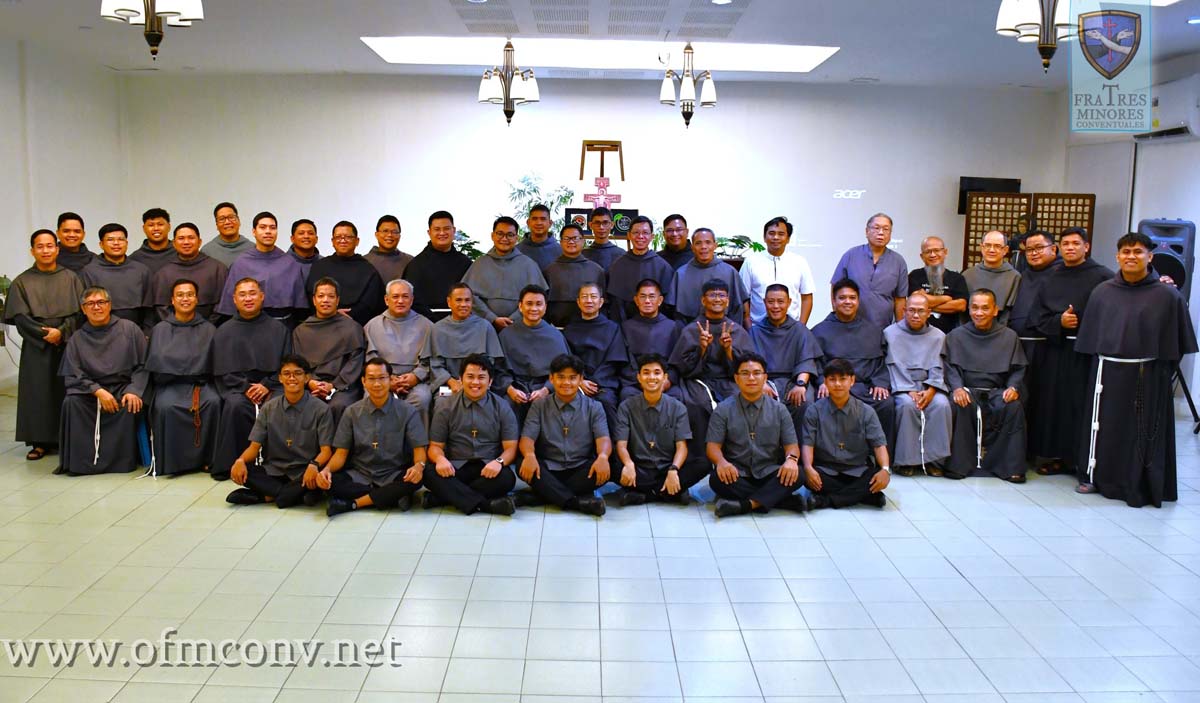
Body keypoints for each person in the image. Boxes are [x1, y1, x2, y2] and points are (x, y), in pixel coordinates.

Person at [1074, 232, 1197, 507]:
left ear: (1150, 256)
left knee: (1140, 432)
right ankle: (1095, 476)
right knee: (1103, 428)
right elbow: (1089, 340)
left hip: (1147, 375)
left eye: (1138, 252)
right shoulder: (1102, 292)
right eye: (1126, 252)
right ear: (1117, 256)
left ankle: (1138, 481)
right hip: (1106, 373)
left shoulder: (1167, 296)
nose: (1131, 256)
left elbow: (1176, 345)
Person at [1028, 228, 1113, 478]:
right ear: (1059, 248)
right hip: (1055, 351)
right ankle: (1059, 457)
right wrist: (1059, 322)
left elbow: (1112, 314)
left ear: (1086, 247)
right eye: (1065, 244)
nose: (1070, 248)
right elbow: (1037, 316)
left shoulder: (1104, 277)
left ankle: (1084, 460)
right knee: (1055, 405)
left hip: (1087, 354)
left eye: (1076, 243)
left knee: (1083, 406)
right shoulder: (1050, 278)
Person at [5, 231, 85, 461]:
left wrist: (62, 331)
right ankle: (39, 442)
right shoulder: (22, 281)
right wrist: (45, 334)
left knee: (67, 390)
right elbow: (20, 317)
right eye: (40, 246)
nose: (46, 250)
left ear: (57, 249)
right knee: (37, 393)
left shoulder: (70, 278)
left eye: (50, 246)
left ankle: (67, 438)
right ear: (32, 250)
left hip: (67, 342)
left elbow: (80, 312)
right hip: (36, 345)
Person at [669, 279, 756, 484]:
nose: (717, 299)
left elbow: (747, 366)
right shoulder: (692, 329)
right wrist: (702, 348)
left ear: (728, 301)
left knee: (740, 403)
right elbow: (682, 366)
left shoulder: (736, 329)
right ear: (703, 300)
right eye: (712, 295)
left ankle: (736, 461)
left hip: (729, 380)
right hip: (699, 380)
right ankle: (700, 462)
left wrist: (728, 350)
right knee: (697, 405)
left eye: (721, 295)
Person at [57, 286, 148, 475]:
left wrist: (134, 390)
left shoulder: (129, 329)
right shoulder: (77, 338)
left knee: (130, 404)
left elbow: (144, 365)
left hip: (123, 387)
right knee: (71, 403)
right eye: (90, 304)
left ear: (109, 305)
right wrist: (97, 390)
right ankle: (82, 463)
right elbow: (73, 373)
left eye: (101, 302)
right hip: (90, 391)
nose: (96, 307)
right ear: (83, 309)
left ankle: (122, 462)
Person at [323, 358, 429, 517]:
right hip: (361, 473)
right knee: (330, 481)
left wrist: (418, 467)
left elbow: (419, 449)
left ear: (391, 380)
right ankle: (389, 496)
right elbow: (340, 454)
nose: (377, 384)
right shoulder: (351, 412)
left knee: (417, 478)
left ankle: (354, 503)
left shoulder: (408, 411)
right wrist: (326, 470)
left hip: (393, 473)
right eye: (371, 379)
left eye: (382, 378)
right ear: (363, 381)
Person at [706, 352, 807, 517]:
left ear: (765, 377)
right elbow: (712, 447)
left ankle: (746, 505)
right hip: (737, 473)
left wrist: (791, 460)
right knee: (716, 479)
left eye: (757, 373)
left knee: (799, 474)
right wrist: (721, 462)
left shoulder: (779, 410)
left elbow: (792, 446)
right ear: (736, 378)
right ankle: (780, 500)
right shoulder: (723, 409)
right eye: (745, 373)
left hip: (769, 472)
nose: (751, 378)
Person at [225, 355, 333, 508]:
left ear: (307, 378)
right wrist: (240, 461)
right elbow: (254, 447)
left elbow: (326, 451)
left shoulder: (321, 409)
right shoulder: (268, 408)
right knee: (243, 469)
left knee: (319, 475)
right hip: (274, 471)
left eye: (297, 373)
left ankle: (268, 495)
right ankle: (294, 495)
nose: (292, 378)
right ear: (280, 378)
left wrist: (314, 465)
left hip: (305, 470)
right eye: (287, 374)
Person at [211, 278, 291, 481]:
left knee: (279, 405)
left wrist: (266, 385)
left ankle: (279, 465)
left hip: (273, 384)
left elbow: (287, 365)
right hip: (238, 386)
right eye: (243, 294)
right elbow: (222, 370)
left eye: (252, 293)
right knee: (235, 406)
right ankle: (234, 464)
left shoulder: (279, 329)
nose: (248, 298)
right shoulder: (224, 331)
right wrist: (245, 387)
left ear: (262, 296)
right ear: (234, 299)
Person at [945, 289, 1028, 482]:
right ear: (969, 310)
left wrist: (1013, 388)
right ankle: (959, 466)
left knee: (1013, 407)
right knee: (960, 404)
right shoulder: (956, 335)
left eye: (985, 308)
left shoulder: (1009, 336)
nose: (979, 313)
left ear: (995, 310)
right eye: (974, 308)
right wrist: (957, 388)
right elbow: (950, 367)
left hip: (997, 391)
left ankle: (1010, 467)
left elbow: (1018, 369)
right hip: (967, 389)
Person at [424, 354, 520, 516]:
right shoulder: (445, 407)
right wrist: (440, 459)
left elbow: (511, 448)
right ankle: (488, 505)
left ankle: (442, 498)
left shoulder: (502, 406)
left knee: (507, 478)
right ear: (460, 379)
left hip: (487, 467)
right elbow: (435, 447)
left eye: (481, 377)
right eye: (470, 377)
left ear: (490, 382)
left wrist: (498, 462)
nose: (475, 382)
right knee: (429, 473)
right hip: (455, 467)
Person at [517, 353, 610, 516]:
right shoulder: (539, 405)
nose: (566, 382)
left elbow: (603, 438)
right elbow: (527, 438)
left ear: (581, 379)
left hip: (580, 468)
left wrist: (602, 456)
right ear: (551, 378)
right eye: (561, 377)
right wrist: (530, 455)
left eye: (572, 378)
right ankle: (576, 503)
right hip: (548, 468)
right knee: (521, 462)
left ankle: (542, 495)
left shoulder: (594, 407)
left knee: (609, 464)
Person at [811, 279, 897, 454]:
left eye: (852, 298)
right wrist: (822, 382)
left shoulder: (873, 331)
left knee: (886, 403)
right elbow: (816, 363)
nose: (847, 302)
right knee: (822, 401)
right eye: (842, 298)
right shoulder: (819, 331)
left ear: (858, 301)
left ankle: (881, 456)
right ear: (834, 301)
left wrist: (880, 383)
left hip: (864, 387)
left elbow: (880, 362)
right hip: (834, 387)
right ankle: (829, 455)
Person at [145, 279, 220, 476]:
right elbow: (155, 366)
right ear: (172, 300)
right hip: (169, 384)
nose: (185, 299)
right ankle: (174, 463)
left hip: (201, 384)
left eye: (190, 295)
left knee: (213, 402)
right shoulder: (160, 329)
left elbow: (214, 365)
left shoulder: (209, 329)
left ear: (197, 299)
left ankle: (207, 460)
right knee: (166, 407)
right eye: (180, 295)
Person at [802, 358, 891, 509]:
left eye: (843, 379)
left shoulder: (866, 411)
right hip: (825, 470)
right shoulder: (814, 411)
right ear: (825, 382)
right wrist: (808, 468)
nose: (837, 384)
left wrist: (885, 470)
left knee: (876, 475)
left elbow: (879, 444)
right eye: (832, 379)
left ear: (852, 381)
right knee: (803, 475)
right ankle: (864, 496)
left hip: (857, 470)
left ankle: (825, 501)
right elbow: (807, 444)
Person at [614, 354, 699, 505]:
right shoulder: (626, 407)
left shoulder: (678, 407)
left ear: (665, 377)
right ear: (639, 377)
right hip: (638, 468)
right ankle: (668, 493)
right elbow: (621, 445)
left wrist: (673, 469)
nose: (651, 377)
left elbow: (682, 447)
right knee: (608, 462)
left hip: (666, 468)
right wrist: (628, 464)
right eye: (646, 373)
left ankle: (642, 494)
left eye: (657, 373)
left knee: (702, 464)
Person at [883, 292, 952, 475]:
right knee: (907, 406)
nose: (915, 315)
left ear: (929, 313)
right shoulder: (890, 333)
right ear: (904, 311)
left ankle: (934, 461)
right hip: (902, 386)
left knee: (941, 405)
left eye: (920, 311)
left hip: (930, 386)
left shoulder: (938, 336)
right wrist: (909, 390)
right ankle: (907, 461)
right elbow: (893, 364)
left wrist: (931, 390)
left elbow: (939, 365)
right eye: (911, 310)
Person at [749, 284, 822, 437]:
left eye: (780, 302)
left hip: (794, 380)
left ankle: (801, 448)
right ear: (764, 302)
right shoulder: (755, 331)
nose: (776, 306)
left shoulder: (800, 330)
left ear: (789, 302)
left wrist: (800, 385)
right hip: (765, 381)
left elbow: (807, 360)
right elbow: (750, 363)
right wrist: (760, 384)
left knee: (806, 401)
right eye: (771, 302)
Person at [292, 277, 366, 422]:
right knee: (303, 405)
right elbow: (297, 364)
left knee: (338, 406)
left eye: (331, 296)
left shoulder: (352, 328)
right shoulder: (301, 331)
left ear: (337, 300)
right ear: (314, 300)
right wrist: (311, 382)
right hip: (310, 385)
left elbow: (355, 362)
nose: (325, 300)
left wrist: (333, 385)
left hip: (343, 387)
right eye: (321, 296)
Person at [215, 212, 308, 325]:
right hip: (249, 325)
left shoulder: (290, 263)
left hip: (283, 324)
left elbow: (300, 309)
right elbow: (229, 308)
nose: (268, 231)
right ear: (254, 232)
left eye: (272, 228)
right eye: (263, 227)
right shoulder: (241, 263)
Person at [364, 279, 434, 423]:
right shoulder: (372, 326)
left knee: (422, 398)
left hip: (416, 381)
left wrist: (416, 377)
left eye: (405, 296)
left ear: (412, 300)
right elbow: (370, 360)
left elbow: (431, 359)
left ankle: (417, 438)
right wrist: (387, 380)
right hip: (382, 379)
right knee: (372, 397)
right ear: (386, 300)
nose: (400, 301)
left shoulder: (427, 325)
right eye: (395, 297)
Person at [497, 285, 569, 425]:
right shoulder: (506, 335)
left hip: (546, 387)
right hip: (516, 387)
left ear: (545, 307)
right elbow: (499, 370)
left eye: (538, 304)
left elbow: (563, 371)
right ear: (520, 306)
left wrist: (546, 390)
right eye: (529, 303)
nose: (534, 308)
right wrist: (510, 389)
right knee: (505, 407)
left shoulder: (555, 336)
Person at [563, 282, 628, 432]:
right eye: (584, 297)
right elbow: (568, 359)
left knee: (606, 401)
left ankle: (612, 445)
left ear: (601, 302)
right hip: (576, 383)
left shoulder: (613, 328)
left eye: (593, 296)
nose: (589, 300)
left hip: (604, 383)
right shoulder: (570, 329)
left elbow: (614, 360)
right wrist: (580, 381)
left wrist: (595, 382)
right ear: (578, 302)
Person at [462, 216, 548, 331]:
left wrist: (514, 319)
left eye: (510, 235)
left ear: (516, 238)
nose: (504, 238)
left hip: (521, 328)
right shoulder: (479, 264)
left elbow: (538, 298)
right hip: (484, 327)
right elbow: (467, 296)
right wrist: (491, 318)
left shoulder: (529, 265)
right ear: (492, 236)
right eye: (500, 234)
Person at [830, 213, 908, 327]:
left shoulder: (898, 261)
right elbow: (836, 288)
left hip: (883, 326)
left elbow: (900, 299)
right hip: (850, 326)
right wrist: (838, 318)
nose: (881, 232)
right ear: (867, 231)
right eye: (876, 228)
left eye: (886, 229)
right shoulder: (851, 255)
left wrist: (900, 328)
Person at [429, 283, 505, 396]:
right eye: (458, 300)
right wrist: (452, 383)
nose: (463, 304)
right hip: (449, 386)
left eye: (467, 300)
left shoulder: (485, 327)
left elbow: (491, 363)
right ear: (449, 302)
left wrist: (473, 383)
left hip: (479, 386)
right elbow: (435, 365)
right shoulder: (437, 329)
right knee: (442, 403)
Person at [305, 220, 386, 326]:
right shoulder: (319, 266)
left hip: (356, 325)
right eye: (338, 237)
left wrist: (347, 316)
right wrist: (332, 313)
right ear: (332, 241)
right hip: (322, 324)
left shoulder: (368, 269)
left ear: (357, 241)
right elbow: (311, 296)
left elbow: (371, 302)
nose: (343, 240)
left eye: (348, 237)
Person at [740, 216, 816, 326]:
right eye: (771, 233)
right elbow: (743, 297)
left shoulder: (799, 262)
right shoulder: (751, 262)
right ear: (764, 237)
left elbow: (807, 298)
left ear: (788, 238)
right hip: (758, 327)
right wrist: (749, 327)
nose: (775, 237)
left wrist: (801, 327)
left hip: (791, 328)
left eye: (781, 234)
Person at [79, 223, 154, 332]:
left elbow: (149, 308)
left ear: (126, 243)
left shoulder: (142, 270)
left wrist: (146, 333)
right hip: (100, 331)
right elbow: (84, 310)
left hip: (136, 331)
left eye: (121, 239)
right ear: (101, 244)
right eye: (110, 239)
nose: (116, 243)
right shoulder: (89, 272)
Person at [149, 223, 229, 324]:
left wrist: (206, 327)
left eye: (191, 238)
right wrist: (178, 326)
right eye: (181, 238)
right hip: (173, 330)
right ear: (174, 243)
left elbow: (223, 306)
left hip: (211, 329)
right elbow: (161, 309)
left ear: (199, 242)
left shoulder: (218, 269)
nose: (186, 242)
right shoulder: (163, 274)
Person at [620, 278, 684, 402]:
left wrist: (668, 380)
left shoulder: (673, 327)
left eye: (652, 296)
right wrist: (642, 381)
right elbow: (624, 363)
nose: (647, 301)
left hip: (664, 382)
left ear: (660, 300)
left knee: (677, 396)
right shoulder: (626, 327)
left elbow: (677, 361)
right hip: (636, 383)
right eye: (643, 297)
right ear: (636, 300)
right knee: (627, 395)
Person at [404, 210, 473, 322]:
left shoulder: (465, 263)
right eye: (437, 229)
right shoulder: (416, 265)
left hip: (461, 324)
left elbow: (473, 297)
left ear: (454, 230)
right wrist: (436, 324)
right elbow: (412, 300)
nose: (442, 233)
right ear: (429, 232)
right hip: (426, 325)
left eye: (446, 228)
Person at [668, 228, 749, 323]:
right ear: (692, 247)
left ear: (715, 245)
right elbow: (676, 314)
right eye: (698, 243)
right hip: (690, 328)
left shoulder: (729, 272)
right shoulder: (681, 274)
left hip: (724, 328)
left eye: (708, 242)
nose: (703, 247)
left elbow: (740, 307)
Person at [606, 216, 676, 322]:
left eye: (645, 233)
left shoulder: (663, 266)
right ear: (629, 235)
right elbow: (616, 305)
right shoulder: (618, 265)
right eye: (636, 232)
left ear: (652, 236)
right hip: (625, 324)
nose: (640, 236)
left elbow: (667, 305)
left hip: (655, 324)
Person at [543, 224, 606, 326]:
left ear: (583, 241)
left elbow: (604, 305)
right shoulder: (550, 270)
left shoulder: (596, 270)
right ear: (561, 242)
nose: (571, 242)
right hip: (557, 328)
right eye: (566, 238)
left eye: (575, 238)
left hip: (590, 328)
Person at [907, 235, 969, 335]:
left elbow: (960, 305)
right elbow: (915, 300)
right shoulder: (914, 275)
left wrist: (924, 305)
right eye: (928, 251)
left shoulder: (957, 278)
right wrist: (946, 298)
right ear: (922, 256)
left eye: (936, 250)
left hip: (950, 335)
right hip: (918, 334)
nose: (932, 255)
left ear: (945, 252)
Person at [962, 231, 1021, 326]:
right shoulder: (968, 275)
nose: (992, 250)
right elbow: (963, 313)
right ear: (981, 247)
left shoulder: (1014, 277)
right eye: (988, 245)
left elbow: (1011, 312)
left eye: (997, 246)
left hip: (1002, 330)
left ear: (1005, 250)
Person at [201, 202, 254, 267]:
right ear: (216, 225)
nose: (227, 222)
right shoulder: (207, 252)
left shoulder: (253, 249)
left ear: (239, 221)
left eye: (231, 217)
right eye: (222, 219)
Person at [365, 215, 412, 283]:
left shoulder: (410, 261)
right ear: (376, 235)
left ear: (399, 236)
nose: (390, 235)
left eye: (394, 232)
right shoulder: (365, 262)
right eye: (385, 231)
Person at [129, 207, 178, 274]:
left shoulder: (179, 254)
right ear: (144, 228)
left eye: (160, 224)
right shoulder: (135, 259)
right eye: (151, 225)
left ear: (169, 226)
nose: (156, 228)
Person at [516, 203, 562, 270]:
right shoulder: (516, 251)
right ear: (528, 222)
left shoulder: (561, 251)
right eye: (534, 219)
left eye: (543, 219)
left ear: (550, 223)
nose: (538, 223)